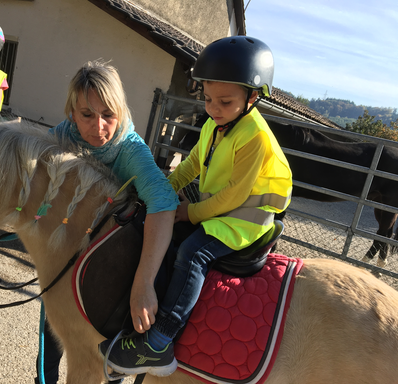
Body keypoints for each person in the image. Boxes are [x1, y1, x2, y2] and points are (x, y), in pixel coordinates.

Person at [99, 36, 293, 377]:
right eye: (207, 99)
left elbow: (233, 196)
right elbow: (191, 166)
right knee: (157, 235)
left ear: (252, 97)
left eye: (225, 101)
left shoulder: (256, 138)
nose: (214, 108)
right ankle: (135, 323)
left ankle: (159, 341)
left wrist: (189, 212)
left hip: (244, 222)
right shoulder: (215, 126)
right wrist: (159, 192)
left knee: (192, 252)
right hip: (220, 212)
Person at [35, 60, 179, 384]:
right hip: (70, 252)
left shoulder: (129, 150)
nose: (99, 127)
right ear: (71, 112)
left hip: (111, 255)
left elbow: (164, 202)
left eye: (108, 115)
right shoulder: (63, 135)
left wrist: (143, 285)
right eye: (87, 115)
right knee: (50, 334)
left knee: (101, 349)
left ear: (120, 111)